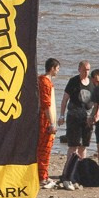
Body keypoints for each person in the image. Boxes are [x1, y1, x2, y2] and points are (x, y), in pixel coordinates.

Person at [37, 58, 59, 187]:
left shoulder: (43, 81)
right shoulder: (44, 82)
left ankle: (42, 174)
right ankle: (42, 176)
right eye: (57, 69)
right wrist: (51, 123)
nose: (57, 71)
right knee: (44, 149)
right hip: (45, 120)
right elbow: (46, 104)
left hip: (46, 118)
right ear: (52, 68)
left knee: (43, 149)